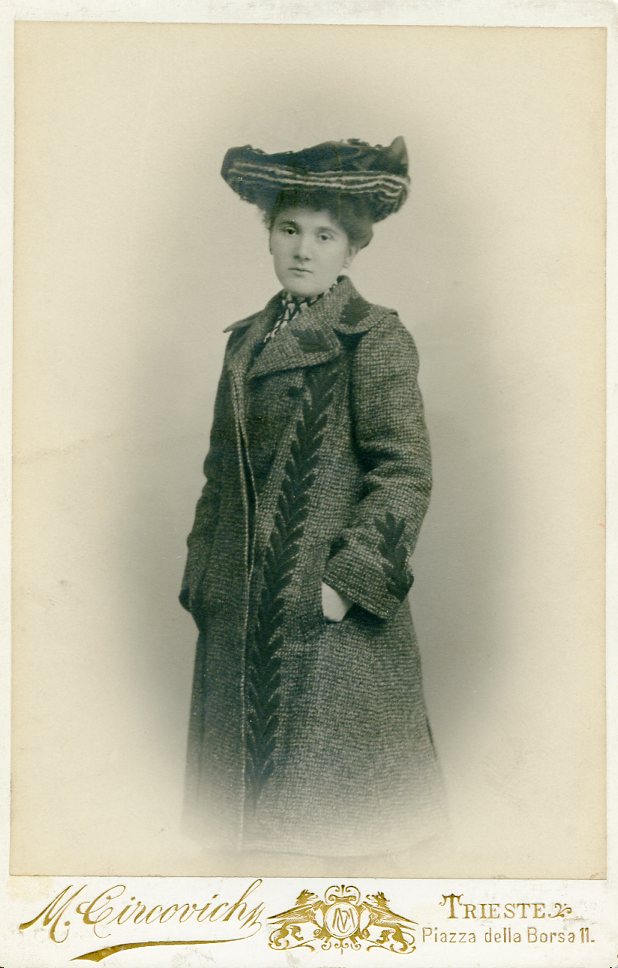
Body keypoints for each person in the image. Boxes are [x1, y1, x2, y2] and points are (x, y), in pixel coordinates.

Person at [180, 137, 445, 858]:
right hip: (237, 618)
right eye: (289, 229)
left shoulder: (373, 337)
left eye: (325, 236)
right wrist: (203, 578)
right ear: (269, 235)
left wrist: (344, 585)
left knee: (333, 841)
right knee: (239, 845)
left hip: (328, 626)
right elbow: (218, 474)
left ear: (352, 249)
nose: (303, 249)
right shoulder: (244, 343)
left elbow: (404, 472)